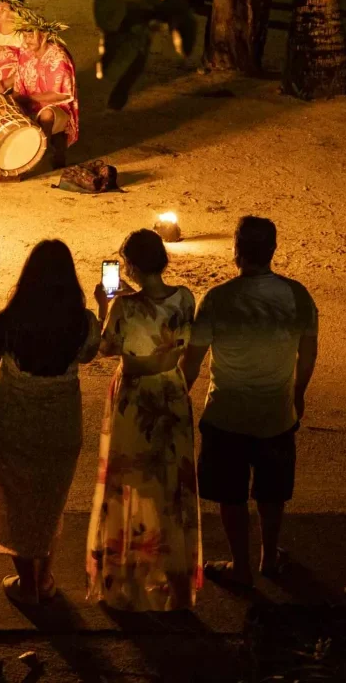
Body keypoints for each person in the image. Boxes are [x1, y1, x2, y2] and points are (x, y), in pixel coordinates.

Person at [180, 217, 319, 588]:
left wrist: (177, 397)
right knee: (272, 493)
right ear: (273, 251)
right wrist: (299, 393)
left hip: (226, 414)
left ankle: (240, 565)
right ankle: (268, 557)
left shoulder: (218, 299)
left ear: (236, 252)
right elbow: (307, 354)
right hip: (276, 413)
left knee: (231, 494)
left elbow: (191, 361)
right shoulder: (297, 296)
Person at [0, 240, 101, 604]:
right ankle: (43, 578)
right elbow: (91, 353)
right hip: (60, 423)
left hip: (14, 422)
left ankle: (27, 582)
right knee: (49, 501)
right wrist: (104, 308)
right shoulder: (82, 322)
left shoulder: (10, 320)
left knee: (16, 501)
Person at [86, 229, 201, 612]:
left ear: (131, 267)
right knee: (172, 487)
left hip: (137, 398)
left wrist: (104, 307)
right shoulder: (185, 297)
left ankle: (128, 581)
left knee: (131, 482)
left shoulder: (126, 308)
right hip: (171, 391)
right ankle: (179, 588)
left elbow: (104, 348)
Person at [0, 0, 80, 176]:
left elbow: (61, 95)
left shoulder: (58, 58)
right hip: (29, 99)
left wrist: (25, 97)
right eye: (25, 37)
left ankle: (34, 158)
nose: (27, 41)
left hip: (55, 106)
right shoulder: (26, 53)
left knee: (45, 114)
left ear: (43, 36)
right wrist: (9, 100)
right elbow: (20, 81)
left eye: (31, 37)